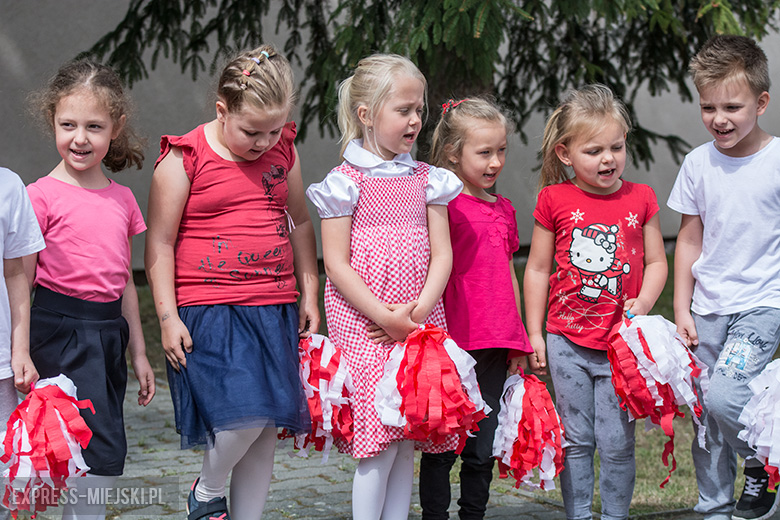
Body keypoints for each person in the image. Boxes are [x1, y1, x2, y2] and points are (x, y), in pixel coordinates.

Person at [145, 43, 319, 520]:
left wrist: (310, 289)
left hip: (273, 303)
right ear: (222, 111)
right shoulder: (184, 158)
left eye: (273, 130)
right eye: (251, 131)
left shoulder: (284, 148)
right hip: (211, 307)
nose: (264, 142)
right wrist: (166, 317)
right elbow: (159, 244)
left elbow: (300, 221)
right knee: (246, 415)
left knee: (266, 428)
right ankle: (206, 492)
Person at [306, 54, 462, 520]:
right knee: (377, 436)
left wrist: (416, 317)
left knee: (408, 434)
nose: (415, 120)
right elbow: (335, 264)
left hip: (420, 319)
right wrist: (385, 316)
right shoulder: (344, 183)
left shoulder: (428, 179)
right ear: (366, 115)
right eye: (403, 110)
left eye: (420, 109)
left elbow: (444, 254)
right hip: (364, 320)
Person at [523, 84, 667, 520]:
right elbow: (536, 270)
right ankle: (580, 515)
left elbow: (659, 261)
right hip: (566, 342)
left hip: (620, 348)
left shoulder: (640, 198)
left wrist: (642, 303)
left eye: (616, 147)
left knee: (618, 443)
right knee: (576, 439)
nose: (608, 159)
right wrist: (534, 334)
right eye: (594, 151)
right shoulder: (554, 199)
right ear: (566, 154)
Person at [24, 58, 156, 520]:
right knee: (60, 446)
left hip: (106, 336)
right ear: (52, 121)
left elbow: (124, 285)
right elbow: (19, 282)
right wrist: (20, 350)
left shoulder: (122, 200)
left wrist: (139, 353)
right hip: (54, 332)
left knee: (101, 446)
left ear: (115, 128)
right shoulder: (37, 196)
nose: (80, 138)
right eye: (68, 124)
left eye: (94, 126)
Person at [668, 34, 780, 520]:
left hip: (763, 303)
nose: (719, 118)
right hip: (707, 307)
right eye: (708, 106)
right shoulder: (698, 163)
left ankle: (764, 463)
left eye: (732, 106)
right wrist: (680, 308)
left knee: (725, 396)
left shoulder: (776, 161)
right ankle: (714, 505)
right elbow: (689, 240)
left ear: (761, 102)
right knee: (705, 415)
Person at [417, 97, 532, 520]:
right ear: (453, 153)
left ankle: (474, 515)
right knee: (443, 445)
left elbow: (509, 274)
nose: (496, 161)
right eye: (484, 152)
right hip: (453, 343)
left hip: (496, 344)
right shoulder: (441, 208)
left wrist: (518, 337)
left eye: (501, 150)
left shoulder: (504, 210)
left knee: (482, 446)